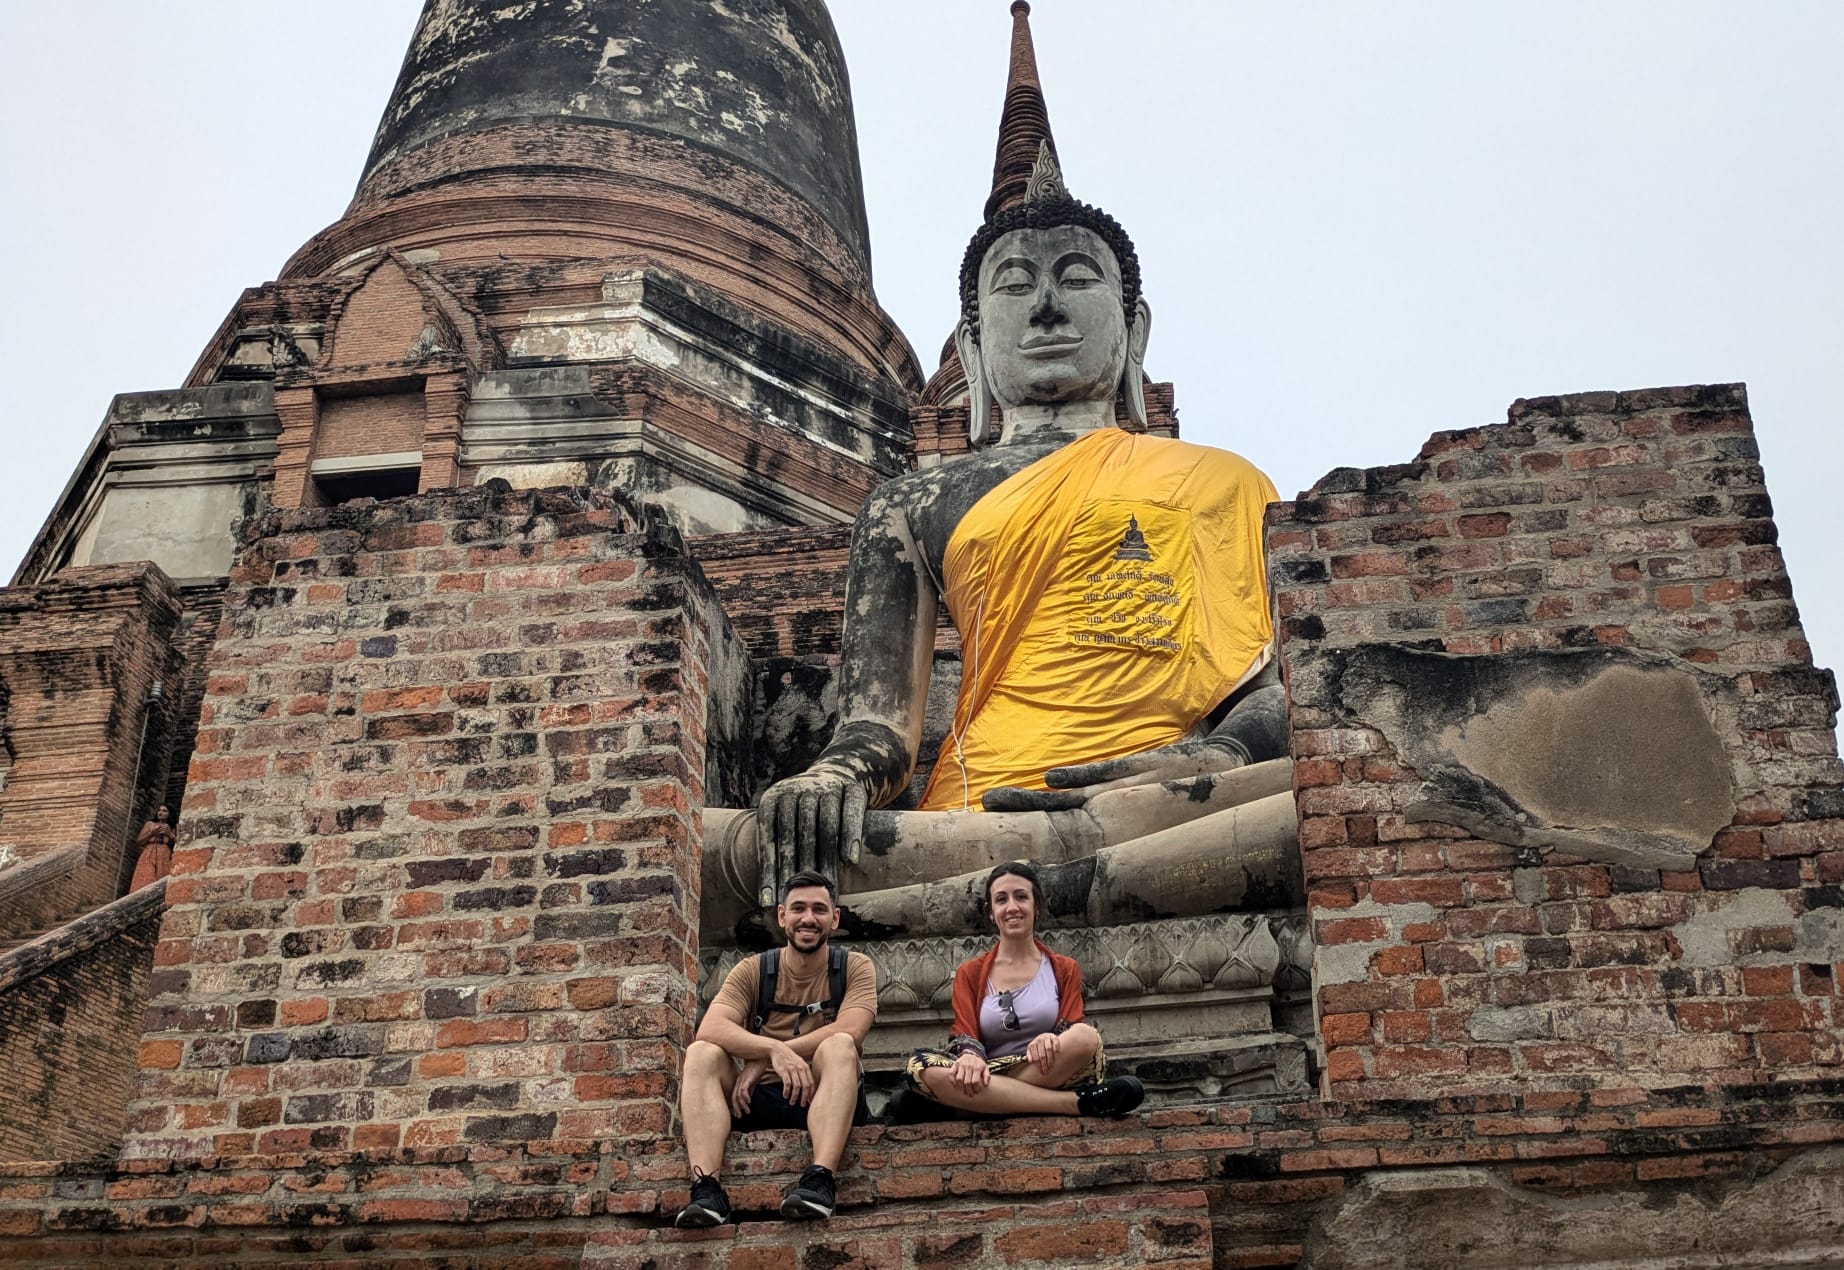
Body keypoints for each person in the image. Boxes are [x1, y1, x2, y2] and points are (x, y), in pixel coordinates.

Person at [675, 870, 877, 1227]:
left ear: (834, 919)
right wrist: (772, 1052)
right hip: (760, 1098)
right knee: (702, 1052)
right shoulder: (754, 970)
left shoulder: (854, 967)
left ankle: (820, 1180)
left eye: (819, 909)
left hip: (827, 1094)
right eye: (798, 908)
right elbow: (711, 1027)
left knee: (840, 1045)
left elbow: (851, 1028)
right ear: (782, 916)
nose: (808, 918)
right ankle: (707, 1190)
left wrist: (771, 1056)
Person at [905, 861, 1144, 1117]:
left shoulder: (1064, 968)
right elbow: (965, 1033)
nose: (1012, 907)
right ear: (991, 912)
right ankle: (1072, 1103)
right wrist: (970, 1057)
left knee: (1085, 1037)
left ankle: (974, 1104)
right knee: (920, 1067)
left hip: (1045, 1068)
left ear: (1036, 906)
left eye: (1021, 897)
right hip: (987, 1070)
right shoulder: (970, 973)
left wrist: (1051, 1038)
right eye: (1001, 899)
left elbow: (1072, 1024)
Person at [129, 805, 176, 893]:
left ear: (169, 814)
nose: (160, 812)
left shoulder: (173, 827)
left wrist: (170, 834)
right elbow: (139, 841)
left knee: (161, 878)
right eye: (159, 810)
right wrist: (151, 833)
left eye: (164, 811)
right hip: (149, 853)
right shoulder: (150, 824)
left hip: (164, 855)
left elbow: (181, 844)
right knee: (145, 877)